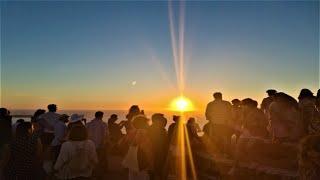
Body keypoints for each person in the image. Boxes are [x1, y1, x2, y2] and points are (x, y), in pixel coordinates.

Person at [122, 115, 153, 180]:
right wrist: (151, 163)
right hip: (141, 162)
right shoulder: (144, 133)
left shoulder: (131, 132)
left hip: (131, 161)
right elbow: (147, 150)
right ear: (145, 123)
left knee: (132, 177)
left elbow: (123, 144)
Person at [86, 111, 109, 179]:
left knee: (90, 160)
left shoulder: (88, 124)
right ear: (101, 116)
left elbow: (85, 134)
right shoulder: (104, 124)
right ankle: (98, 176)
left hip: (89, 145)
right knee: (99, 161)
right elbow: (106, 135)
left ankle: (90, 173)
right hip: (99, 145)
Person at [148, 113, 169, 180]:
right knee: (156, 171)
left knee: (158, 171)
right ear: (157, 120)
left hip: (160, 153)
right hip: (156, 153)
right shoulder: (154, 129)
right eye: (161, 119)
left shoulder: (160, 129)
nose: (164, 120)